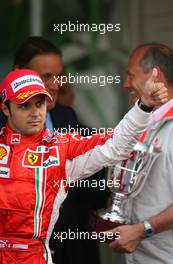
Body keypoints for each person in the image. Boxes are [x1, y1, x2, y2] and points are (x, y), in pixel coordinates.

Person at [0, 66, 167, 264]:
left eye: (39, 103)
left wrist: (144, 107)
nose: (35, 112)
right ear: (5, 109)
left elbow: (115, 145)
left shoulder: (60, 148)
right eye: (24, 105)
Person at [11, 36, 108, 264]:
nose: (56, 85)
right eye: (45, 77)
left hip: (69, 247)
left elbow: (85, 184)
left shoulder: (66, 115)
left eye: (59, 75)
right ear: (18, 73)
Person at [105, 43, 173, 264]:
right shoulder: (140, 121)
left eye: (130, 75)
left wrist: (142, 230)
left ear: (156, 76)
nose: (125, 84)